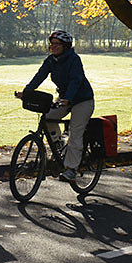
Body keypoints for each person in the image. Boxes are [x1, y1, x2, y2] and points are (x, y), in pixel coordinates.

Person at [16, 29, 94, 181]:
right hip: (65, 98)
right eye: (52, 43)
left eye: (58, 44)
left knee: (75, 132)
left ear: (66, 46)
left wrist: (69, 98)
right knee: (47, 118)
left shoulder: (74, 59)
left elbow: (75, 80)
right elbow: (39, 76)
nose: (53, 46)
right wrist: (26, 92)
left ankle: (71, 169)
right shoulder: (51, 60)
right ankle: (58, 144)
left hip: (82, 100)